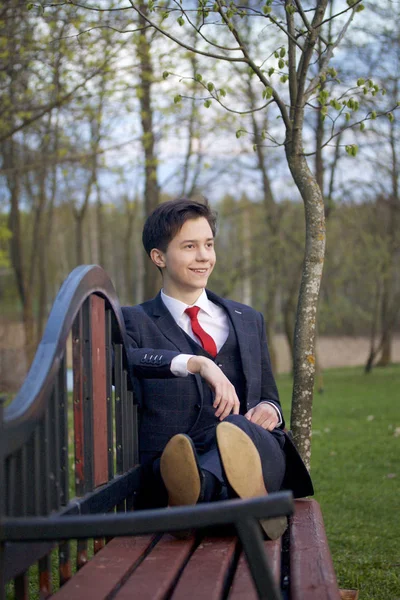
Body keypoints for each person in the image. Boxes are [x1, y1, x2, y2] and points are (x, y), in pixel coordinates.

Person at [122, 198, 313, 539]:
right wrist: (194, 363)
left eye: (208, 245)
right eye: (190, 246)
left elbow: (269, 396)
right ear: (159, 257)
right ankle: (235, 502)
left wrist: (270, 410)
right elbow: (130, 359)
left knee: (237, 429)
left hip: (256, 451)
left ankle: (199, 492)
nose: (204, 256)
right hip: (174, 459)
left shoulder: (247, 319)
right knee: (188, 461)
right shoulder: (133, 321)